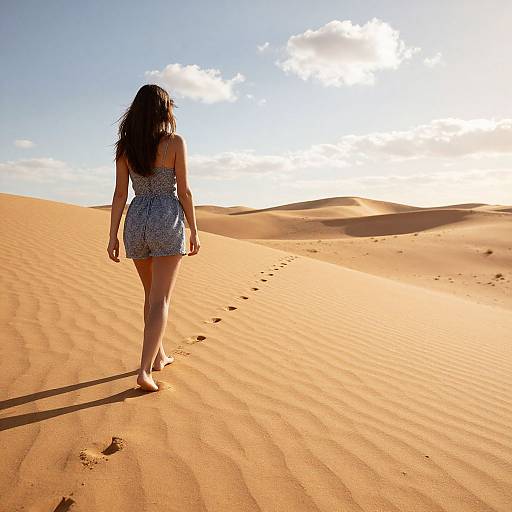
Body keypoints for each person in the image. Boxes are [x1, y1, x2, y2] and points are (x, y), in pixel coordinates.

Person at [107, 84, 200, 392]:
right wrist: (194, 230)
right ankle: (145, 370)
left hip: (136, 220)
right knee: (161, 299)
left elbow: (120, 193)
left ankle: (159, 356)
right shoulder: (174, 142)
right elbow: (184, 190)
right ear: (163, 110)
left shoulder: (125, 147)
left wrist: (112, 236)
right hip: (165, 217)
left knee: (150, 296)